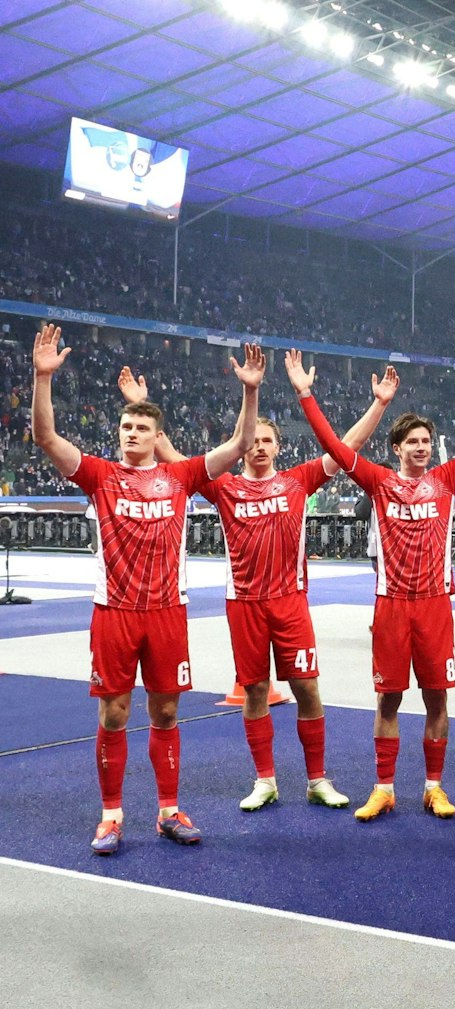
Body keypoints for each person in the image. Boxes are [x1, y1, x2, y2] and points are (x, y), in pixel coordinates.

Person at [123, 351, 395, 813]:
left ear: (278, 447)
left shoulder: (298, 481)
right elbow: (169, 455)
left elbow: (346, 446)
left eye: (268, 441)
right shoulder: (223, 486)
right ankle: (265, 779)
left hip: (290, 602)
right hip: (244, 603)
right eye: (254, 441)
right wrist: (142, 408)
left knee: (307, 688)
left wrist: (380, 404)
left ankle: (317, 779)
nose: (260, 447)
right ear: (244, 444)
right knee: (254, 690)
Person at [30, 324, 260, 854]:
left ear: (157, 437)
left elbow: (240, 444)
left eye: (141, 427)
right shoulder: (99, 475)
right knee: (113, 713)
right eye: (126, 426)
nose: (131, 433)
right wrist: (43, 379)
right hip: (114, 612)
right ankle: (111, 816)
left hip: (166, 613)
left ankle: (168, 811)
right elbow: (46, 438)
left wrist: (249, 391)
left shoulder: (181, 478)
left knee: (167, 713)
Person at [295, 349, 455, 821]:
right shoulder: (379, 482)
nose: (421, 447)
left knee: (437, 697)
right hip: (391, 605)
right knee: (388, 698)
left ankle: (434, 787)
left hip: (434, 605)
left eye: (426, 441)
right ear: (397, 448)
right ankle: (384, 788)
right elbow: (334, 447)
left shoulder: (446, 480)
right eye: (412, 441)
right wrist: (306, 394)